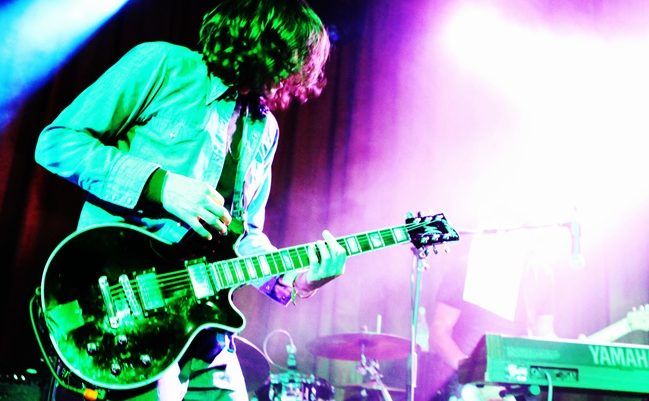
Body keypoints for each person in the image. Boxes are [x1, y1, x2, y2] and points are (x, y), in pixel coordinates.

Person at [34, 1, 346, 400]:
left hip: (204, 327)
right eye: (293, 56)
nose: (295, 73)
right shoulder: (164, 66)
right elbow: (58, 143)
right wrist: (161, 186)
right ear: (264, 43)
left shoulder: (264, 128)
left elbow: (244, 235)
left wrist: (298, 280)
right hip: (127, 307)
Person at [420, 234, 559, 401]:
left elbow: (544, 333)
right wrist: (472, 371)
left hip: (515, 380)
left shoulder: (540, 272)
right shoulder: (468, 266)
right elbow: (439, 333)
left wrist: (574, 351)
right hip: (466, 380)